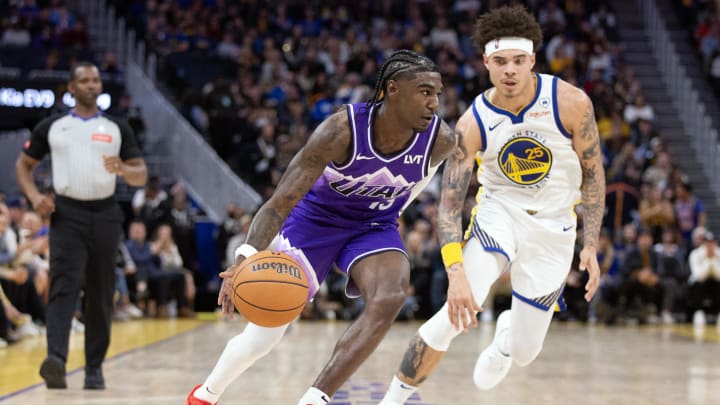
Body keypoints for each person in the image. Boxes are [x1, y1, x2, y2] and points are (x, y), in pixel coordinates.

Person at [185, 50, 454, 405]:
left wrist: (388, 214)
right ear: (393, 90)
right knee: (265, 334)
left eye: (437, 94)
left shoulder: (440, 140)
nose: (434, 103)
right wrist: (244, 258)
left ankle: (316, 398)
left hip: (373, 224)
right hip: (314, 222)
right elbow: (279, 202)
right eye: (424, 92)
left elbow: (413, 189)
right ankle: (206, 394)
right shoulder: (340, 130)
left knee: (390, 294)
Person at [378, 7, 605, 404]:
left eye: (519, 61)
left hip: (555, 227)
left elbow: (593, 174)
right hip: (498, 216)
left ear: (533, 59)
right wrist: (456, 272)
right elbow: (448, 206)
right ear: (486, 62)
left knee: (524, 352)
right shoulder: (473, 123)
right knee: (452, 317)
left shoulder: (571, 103)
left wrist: (590, 244)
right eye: (500, 62)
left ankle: (504, 340)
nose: (510, 71)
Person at [15, 61, 147, 390]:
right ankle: (56, 361)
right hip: (67, 214)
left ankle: (94, 368)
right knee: (63, 286)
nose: (91, 85)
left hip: (105, 213)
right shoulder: (53, 126)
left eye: (96, 80)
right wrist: (33, 196)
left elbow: (140, 173)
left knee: (102, 291)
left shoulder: (117, 127)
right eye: (84, 80)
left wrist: (124, 170)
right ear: (72, 88)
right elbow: (24, 164)